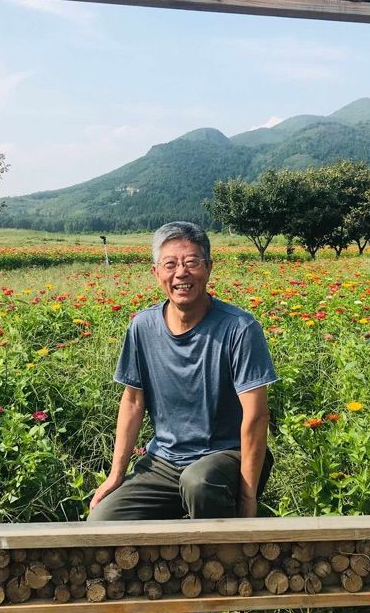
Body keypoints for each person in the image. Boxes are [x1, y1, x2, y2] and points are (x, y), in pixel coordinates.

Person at [87, 220, 275, 526]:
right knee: (103, 520)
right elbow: (133, 402)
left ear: (209, 268)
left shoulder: (240, 328)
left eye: (191, 262)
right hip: (165, 461)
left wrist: (248, 497)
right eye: (170, 264)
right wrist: (115, 475)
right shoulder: (143, 326)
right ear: (156, 272)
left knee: (198, 482)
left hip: (226, 456)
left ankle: (222, 553)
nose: (181, 273)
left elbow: (257, 415)